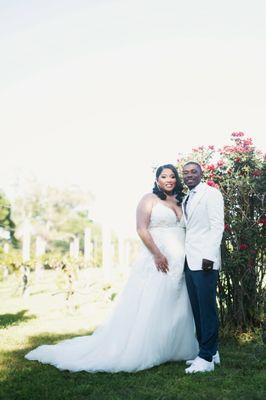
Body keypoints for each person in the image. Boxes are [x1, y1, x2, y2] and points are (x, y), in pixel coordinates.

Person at [25, 164, 198, 373]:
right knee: (154, 302)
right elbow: (141, 229)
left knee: (175, 303)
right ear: (157, 180)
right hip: (158, 260)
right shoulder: (149, 199)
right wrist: (157, 254)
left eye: (172, 176)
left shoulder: (180, 200)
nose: (169, 179)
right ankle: (148, 348)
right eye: (164, 176)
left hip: (180, 262)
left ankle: (174, 348)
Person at [182, 161, 224, 373]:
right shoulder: (187, 198)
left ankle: (205, 359)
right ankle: (210, 351)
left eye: (193, 172)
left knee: (207, 309)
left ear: (201, 173)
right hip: (189, 261)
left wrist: (209, 256)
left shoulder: (211, 194)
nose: (189, 175)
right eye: (186, 173)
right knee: (198, 308)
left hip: (205, 261)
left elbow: (217, 226)